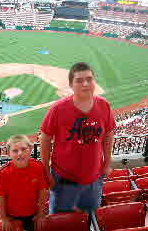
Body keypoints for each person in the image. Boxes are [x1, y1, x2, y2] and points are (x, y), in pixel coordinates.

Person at [40, 62, 116, 216]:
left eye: (89, 79)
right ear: (70, 84)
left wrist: (107, 162)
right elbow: (45, 138)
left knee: (87, 218)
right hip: (64, 179)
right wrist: (46, 171)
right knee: (61, 221)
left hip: (94, 178)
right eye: (79, 80)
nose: (85, 84)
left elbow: (108, 134)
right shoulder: (58, 109)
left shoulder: (104, 106)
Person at [0, 135, 48, 231]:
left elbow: (43, 191)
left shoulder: (38, 167)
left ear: (30, 150)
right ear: (8, 153)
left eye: (23, 149)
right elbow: (0, 196)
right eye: (15, 150)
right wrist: (3, 218)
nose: (20, 153)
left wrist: (41, 214)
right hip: (12, 217)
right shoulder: (3, 172)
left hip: (33, 215)